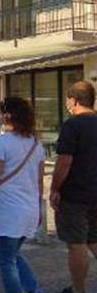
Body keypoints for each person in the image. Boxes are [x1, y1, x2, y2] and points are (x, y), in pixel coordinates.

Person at [0, 97, 46, 293]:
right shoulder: (36, 144)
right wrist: (39, 209)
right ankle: (34, 289)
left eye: (0, 112)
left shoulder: (2, 142)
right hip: (29, 209)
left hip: (7, 210)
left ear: (7, 115)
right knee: (13, 255)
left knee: (6, 262)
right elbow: (39, 182)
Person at [51, 81, 97, 293]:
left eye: (68, 100)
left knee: (76, 243)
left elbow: (64, 161)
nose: (67, 104)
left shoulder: (72, 125)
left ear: (75, 100)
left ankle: (79, 290)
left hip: (75, 194)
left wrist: (54, 188)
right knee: (94, 239)